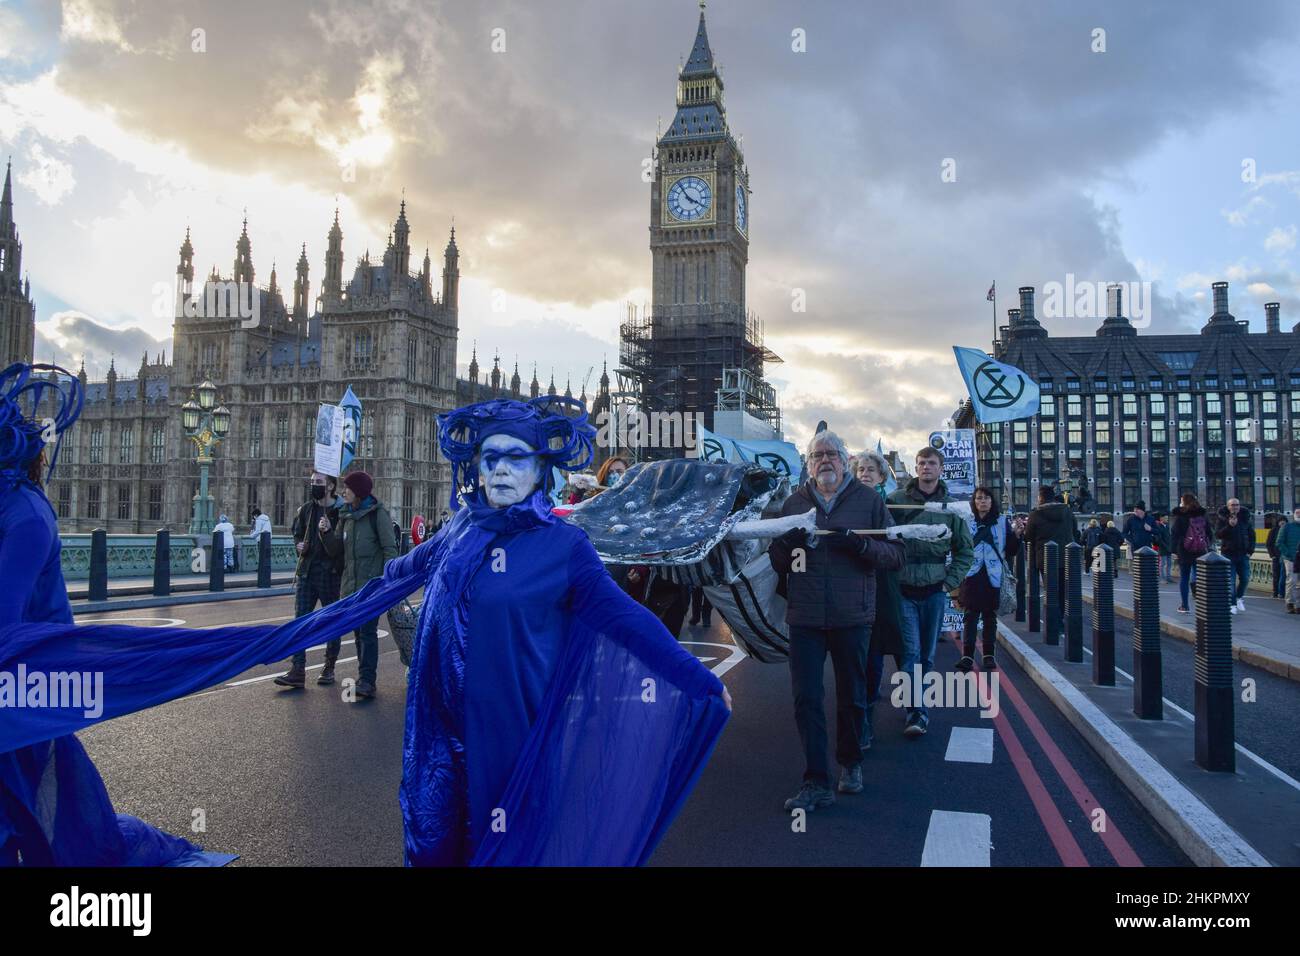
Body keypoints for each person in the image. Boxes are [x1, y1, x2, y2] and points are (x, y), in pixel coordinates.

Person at [383, 395, 731, 863]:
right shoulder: (460, 528)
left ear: (540, 469)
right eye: (491, 458)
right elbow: (400, 572)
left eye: (516, 457)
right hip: (439, 731)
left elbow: (626, 619)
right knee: (435, 839)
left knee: (508, 845)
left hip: (511, 735)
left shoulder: (564, 547)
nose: (501, 470)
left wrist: (697, 677)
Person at [0, 362, 233, 866]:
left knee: (67, 820)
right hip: (23, 688)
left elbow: (6, 619)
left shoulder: (29, 515)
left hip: (29, 683)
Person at [769, 430, 904, 808]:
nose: (824, 461)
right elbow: (779, 564)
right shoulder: (794, 504)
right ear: (808, 464)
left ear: (845, 460)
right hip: (806, 617)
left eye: (831, 454)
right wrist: (786, 545)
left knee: (852, 696)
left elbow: (896, 555)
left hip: (853, 615)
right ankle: (816, 781)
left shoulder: (868, 502)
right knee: (806, 699)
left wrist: (860, 545)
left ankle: (851, 762)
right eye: (817, 455)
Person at [886, 445, 974, 738]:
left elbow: (964, 550)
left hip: (935, 588)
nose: (926, 467)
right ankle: (917, 711)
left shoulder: (951, 507)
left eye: (932, 463)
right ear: (916, 466)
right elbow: (883, 540)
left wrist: (950, 582)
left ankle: (917, 704)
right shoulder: (896, 501)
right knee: (910, 652)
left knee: (928, 655)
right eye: (921, 462)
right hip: (904, 587)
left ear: (940, 468)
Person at [274, 472, 345, 689]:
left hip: (330, 573)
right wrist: (299, 546)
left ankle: (329, 667)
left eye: (319, 483)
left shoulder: (340, 512)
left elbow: (339, 548)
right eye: (312, 482)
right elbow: (297, 533)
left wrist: (328, 531)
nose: (314, 486)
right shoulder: (306, 509)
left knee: (331, 622)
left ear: (331, 486)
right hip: (307, 572)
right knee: (300, 622)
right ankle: (298, 670)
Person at [337, 470, 398, 700]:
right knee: (357, 633)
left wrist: (387, 582)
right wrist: (324, 534)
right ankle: (363, 676)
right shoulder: (346, 516)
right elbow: (338, 550)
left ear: (359, 492)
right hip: (351, 586)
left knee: (368, 632)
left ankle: (367, 680)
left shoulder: (377, 514)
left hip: (371, 586)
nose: (344, 491)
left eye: (347, 488)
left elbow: (389, 549)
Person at [855, 449, 902, 727]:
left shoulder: (891, 506)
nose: (865, 474)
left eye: (870, 470)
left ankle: (869, 707)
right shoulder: (846, 504)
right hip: (854, 587)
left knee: (875, 653)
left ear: (882, 476)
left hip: (883, 588)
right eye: (861, 470)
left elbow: (897, 550)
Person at [956, 486, 1017, 672]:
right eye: (979, 498)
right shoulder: (966, 521)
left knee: (990, 617)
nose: (982, 501)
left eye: (986, 498)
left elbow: (1012, 550)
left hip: (993, 574)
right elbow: (959, 546)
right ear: (974, 502)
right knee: (970, 616)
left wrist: (1017, 536)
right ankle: (967, 656)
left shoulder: (1001, 521)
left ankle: (989, 655)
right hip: (971, 574)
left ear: (992, 501)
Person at [1024, 485, 1077, 627]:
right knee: (1063, 590)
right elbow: (1075, 531)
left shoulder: (1035, 514)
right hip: (1067, 556)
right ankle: (1062, 620)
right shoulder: (1067, 511)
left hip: (1046, 558)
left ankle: (1054, 623)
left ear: (1040, 498)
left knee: (1051, 589)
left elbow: (1028, 537)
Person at [1170, 492, 1211, 613]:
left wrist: (1173, 550)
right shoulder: (1202, 515)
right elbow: (1209, 532)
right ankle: (1205, 606)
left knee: (1184, 578)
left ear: (1184, 502)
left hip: (1185, 550)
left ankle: (1185, 605)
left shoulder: (1181, 516)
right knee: (1201, 578)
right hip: (1200, 550)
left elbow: (1175, 534)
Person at [1215, 498, 1255, 614]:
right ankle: (1232, 604)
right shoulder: (1222, 519)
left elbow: (1252, 536)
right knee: (1231, 581)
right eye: (1232, 505)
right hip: (1228, 554)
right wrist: (1229, 525)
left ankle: (1239, 598)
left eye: (1237, 505)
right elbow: (1218, 535)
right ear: (1228, 507)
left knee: (1245, 578)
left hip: (1243, 554)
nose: (1235, 507)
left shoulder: (1245, 518)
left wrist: (1250, 551)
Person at [1277, 508, 1300, 613]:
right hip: (1291, 559)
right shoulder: (1287, 527)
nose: (1299, 514)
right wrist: (1289, 554)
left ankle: (1298, 605)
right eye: (1297, 513)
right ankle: (1290, 602)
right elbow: (1279, 543)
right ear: (1294, 515)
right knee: (1292, 581)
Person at [1123, 501, 1156, 567]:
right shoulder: (1131, 519)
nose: (1135, 510)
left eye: (1137, 509)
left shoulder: (1150, 519)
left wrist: (1150, 529)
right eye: (1134, 509)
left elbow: (1158, 531)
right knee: (1138, 569)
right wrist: (1132, 541)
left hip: (1147, 548)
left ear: (1142, 510)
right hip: (1135, 548)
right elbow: (1124, 533)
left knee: (1147, 568)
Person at [1266, 513, 1287, 600]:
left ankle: (1282, 592)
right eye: (1281, 522)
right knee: (1276, 574)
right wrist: (1272, 555)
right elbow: (1269, 544)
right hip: (1276, 556)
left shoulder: (1287, 530)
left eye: (1284, 522)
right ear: (1278, 522)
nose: (1282, 523)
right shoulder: (1273, 531)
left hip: (1285, 556)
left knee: (1284, 575)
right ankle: (1275, 592)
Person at [1153, 513, 1174, 583]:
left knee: (1169, 563)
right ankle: (1162, 579)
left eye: (1167, 518)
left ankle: (1169, 578)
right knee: (1162, 564)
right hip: (1163, 548)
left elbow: (1169, 537)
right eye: (1166, 518)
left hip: (1169, 548)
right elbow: (1159, 539)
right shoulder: (1158, 526)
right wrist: (1166, 546)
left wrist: (1170, 546)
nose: (1167, 519)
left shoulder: (1167, 526)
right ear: (1161, 519)